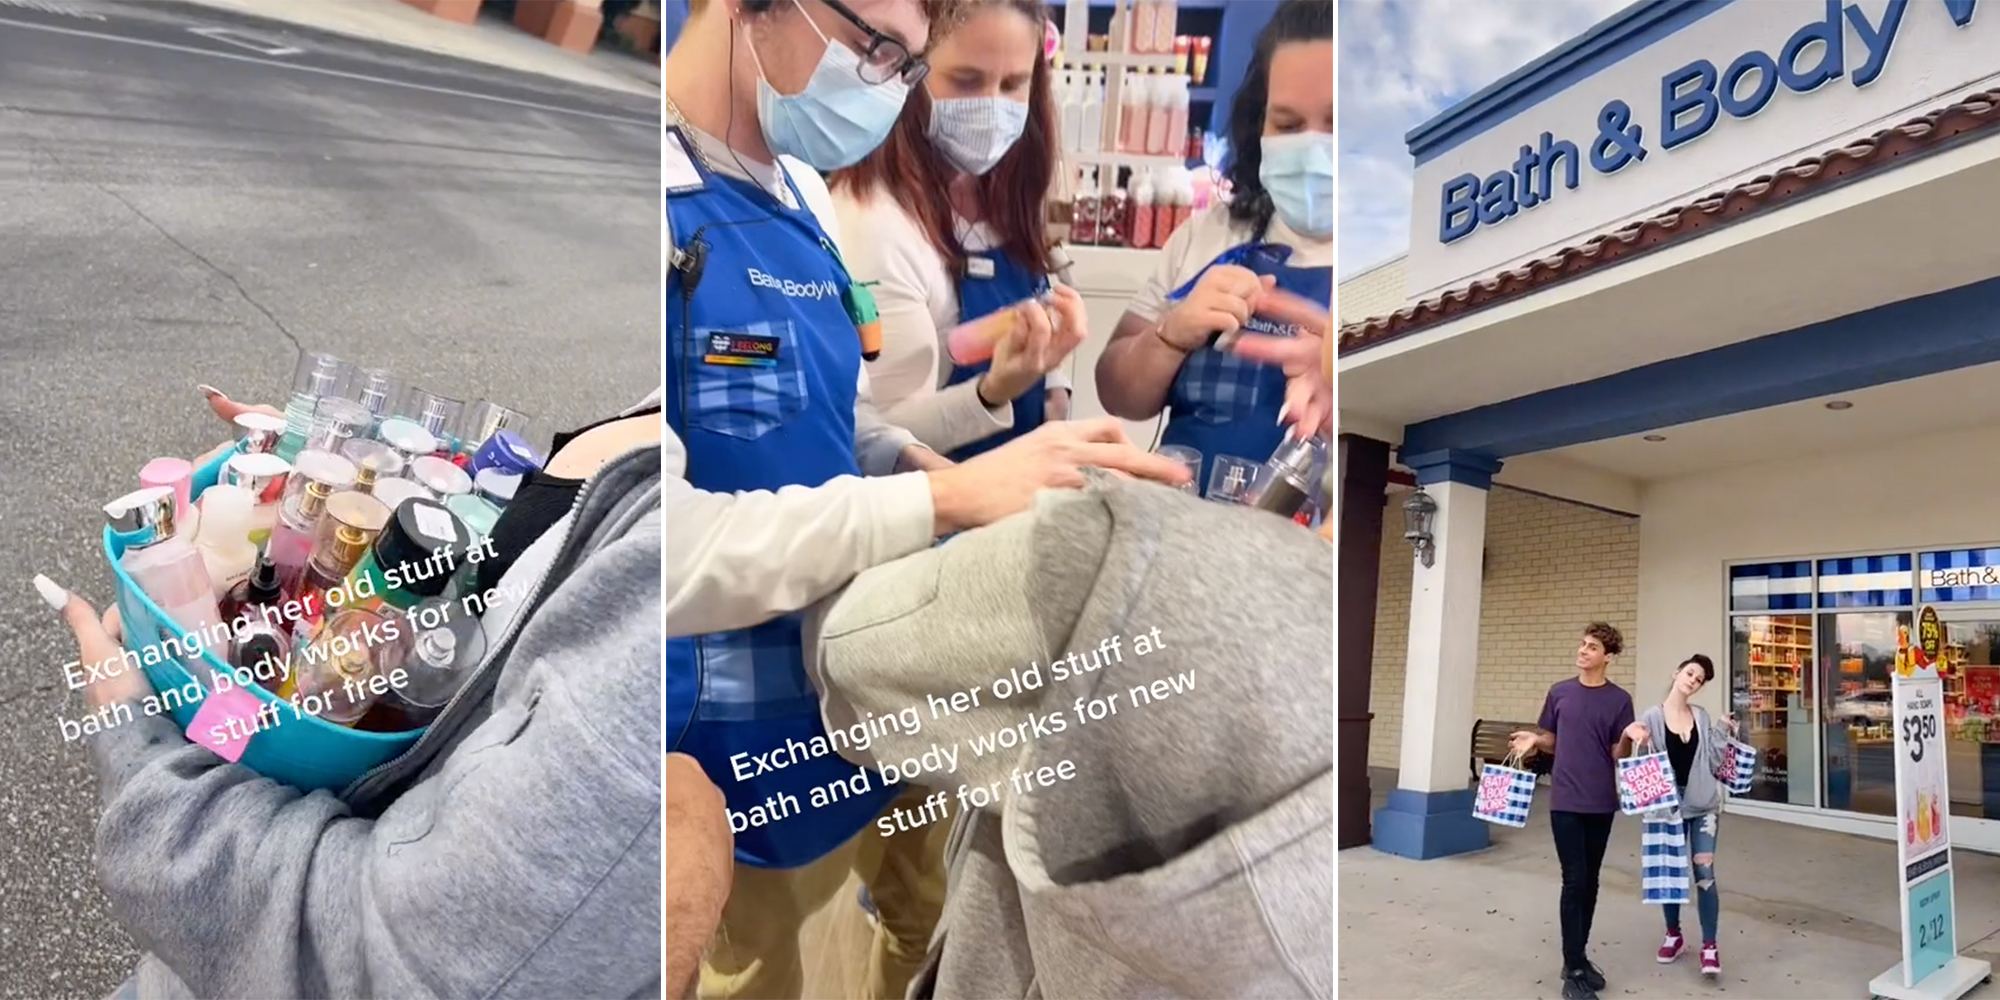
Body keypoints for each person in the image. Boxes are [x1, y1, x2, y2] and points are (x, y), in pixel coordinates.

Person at [658, 3, 1186, 998]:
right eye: (877, 48)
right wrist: (940, 506)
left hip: (854, 703)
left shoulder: (800, 197)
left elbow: (842, 423)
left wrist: (975, 459)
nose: (886, 84)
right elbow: (667, 551)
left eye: (904, 62)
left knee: (904, 928)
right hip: (724, 754)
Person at [43, 385, 722, 999]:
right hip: (208, 949)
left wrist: (140, 744)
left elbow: (382, 966)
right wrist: (317, 477)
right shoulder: (665, 403)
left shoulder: (664, 565)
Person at [829, 0, 1087, 460]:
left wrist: (1052, 381)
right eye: (966, 80)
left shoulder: (1005, 195)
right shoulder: (872, 225)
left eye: (1013, 85)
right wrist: (991, 392)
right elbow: (874, 438)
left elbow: (1036, 294)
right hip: (932, 513)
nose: (992, 107)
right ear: (907, 69)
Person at [1094, 0, 1332, 491]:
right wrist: (1169, 336)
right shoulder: (1209, 235)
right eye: (1287, 125)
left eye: (1338, 124)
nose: (1312, 147)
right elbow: (1118, 393)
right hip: (1178, 529)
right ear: (1258, 122)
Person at [1509, 622, 1639, 1000]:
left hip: (1600, 801)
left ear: (1607, 657)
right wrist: (1535, 738)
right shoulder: (1560, 692)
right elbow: (1551, 740)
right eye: (1582, 644)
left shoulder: (1619, 700)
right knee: (1575, 879)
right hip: (1565, 798)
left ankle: (1578, 957)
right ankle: (1573, 969)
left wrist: (1630, 737)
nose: (1583, 651)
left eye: (1592, 647)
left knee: (1592, 880)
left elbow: (1617, 753)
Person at [1629, 654, 1736, 979]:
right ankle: (1673, 934)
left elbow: (1715, 760)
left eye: (1699, 679)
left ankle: (1709, 946)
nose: (1693, 680)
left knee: (1705, 874)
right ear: (1677, 673)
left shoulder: (1701, 716)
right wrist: (1641, 741)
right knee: (1670, 873)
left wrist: (1722, 729)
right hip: (1667, 808)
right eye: (1690, 673)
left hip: (1703, 806)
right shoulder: (1652, 716)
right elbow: (1648, 765)